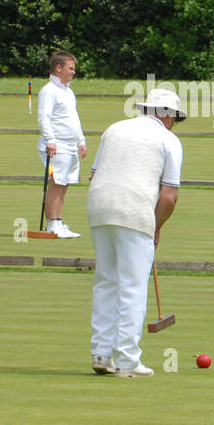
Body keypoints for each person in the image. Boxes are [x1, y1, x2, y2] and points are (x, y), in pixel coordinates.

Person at [85, 88, 186, 378]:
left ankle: (102, 353)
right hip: (134, 209)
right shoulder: (169, 140)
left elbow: (94, 175)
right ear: (165, 114)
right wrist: (156, 227)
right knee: (132, 285)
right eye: (174, 118)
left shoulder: (114, 129)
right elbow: (169, 196)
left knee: (106, 280)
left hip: (99, 206)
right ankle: (128, 361)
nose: (173, 124)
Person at [36, 51, 87, 238]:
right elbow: (44, 118)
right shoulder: (48, 91)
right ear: (59, 68)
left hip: (70, 145)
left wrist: (81, 141)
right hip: (56, 145)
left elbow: (74, 118)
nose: (74, 72)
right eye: (70, 68)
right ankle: (52, 224)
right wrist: (50, 140)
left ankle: (58, 221)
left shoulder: (68, 91)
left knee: (64, 184)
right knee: (56, 183)